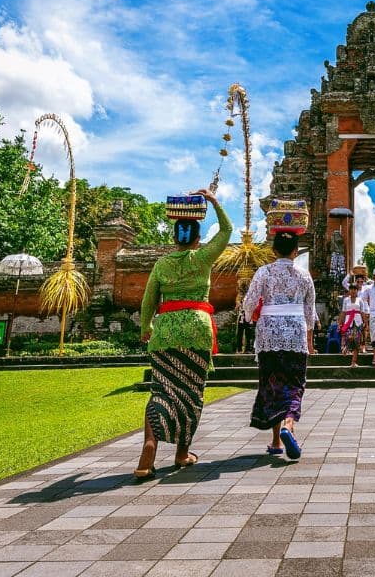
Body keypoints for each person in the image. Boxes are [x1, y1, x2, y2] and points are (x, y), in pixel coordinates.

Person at [134, 188, 230, 479]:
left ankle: (148, 448)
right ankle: (181, 452)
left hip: (165, 333)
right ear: (198, 237)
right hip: (197, 331)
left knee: (161, 390)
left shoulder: (162, 264)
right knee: (190, 393)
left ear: (175, 237)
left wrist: (145, 327)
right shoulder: (203, 258)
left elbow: (149, 300)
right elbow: (226, 229)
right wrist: (213, 200)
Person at [243, 201, 316, 460]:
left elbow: (249, 302)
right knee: (295, 384)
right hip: (295, 333)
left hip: (268, 335)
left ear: (274, 250)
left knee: (273, 384)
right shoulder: (304, 275)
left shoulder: (263, 272)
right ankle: (287, 426)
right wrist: (309, 340)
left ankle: (276, 441)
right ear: (296, 251)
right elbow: (310, 311)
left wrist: (252, 319)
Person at [340, 284, 369, 367]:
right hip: (348, 321)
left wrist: (366, 323)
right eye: (351, 289)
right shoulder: (346, 300)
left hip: (358, 321)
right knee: (349, 336)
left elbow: (362, 312)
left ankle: (353, 361)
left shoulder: (360, 300)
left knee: (357, 341)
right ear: (349, 290)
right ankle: (347, 346)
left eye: (354, 289)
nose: (353, 291)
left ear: (357, 290)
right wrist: (340, 323)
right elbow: (343, 312)